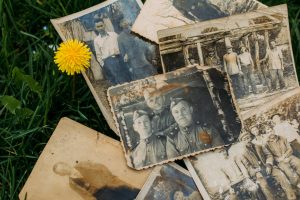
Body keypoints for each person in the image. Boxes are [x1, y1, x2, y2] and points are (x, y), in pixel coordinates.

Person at [239, 132, 296, 200]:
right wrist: (256, 171)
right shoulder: (243, 153)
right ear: (242, 141)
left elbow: (268, 155)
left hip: (268, 166)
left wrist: (269, 165)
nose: (247, 140)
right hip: (258, 172)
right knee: (264, 186)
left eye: (248, 138)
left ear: (250, 138)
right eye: (244, 139)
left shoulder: (259, 145)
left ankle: (291, 197)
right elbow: (248, 167)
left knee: (281, 175)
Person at [53, 161, 139, 200]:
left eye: (63, 167)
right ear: (61, 174)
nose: (65, 169)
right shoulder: (72, 184)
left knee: (135, 193)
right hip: (101, 195)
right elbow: (85, 196)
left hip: (111, 183)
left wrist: (109, 179)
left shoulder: (82, 165)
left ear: (66, 164)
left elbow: (100, 167)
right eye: (61, 171)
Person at [93, 19, 130, 84]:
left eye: (101, 26)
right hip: (109, 61)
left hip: (120, 58)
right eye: (98, 27)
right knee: (118, 80)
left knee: (127, 76)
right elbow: (98, 55)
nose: (100, 28)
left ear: (104, 25)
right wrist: (104, 64)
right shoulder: (96, 40)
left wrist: (125, 54)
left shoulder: (113, 34)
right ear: (96, 28)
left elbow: (122, 44)